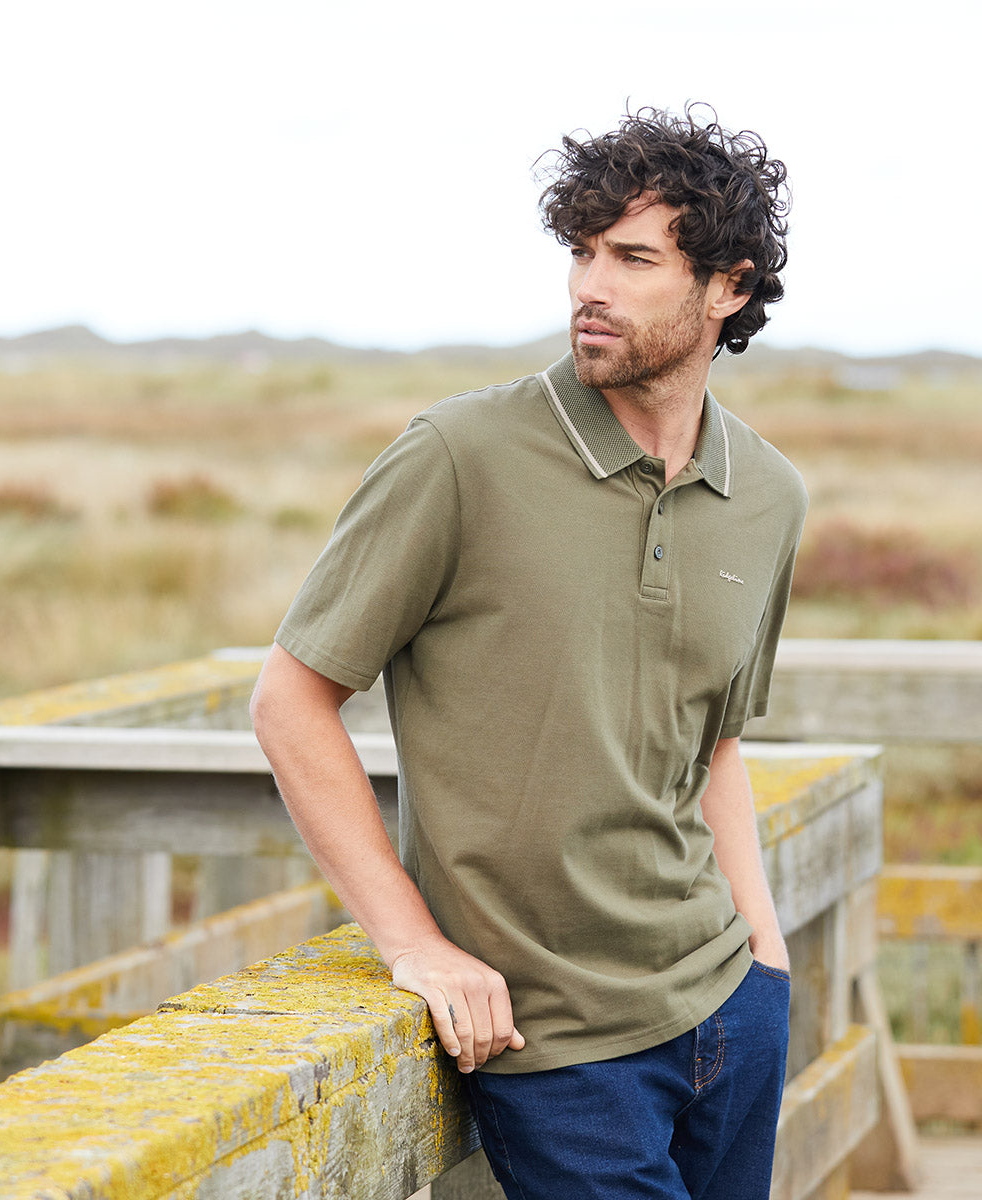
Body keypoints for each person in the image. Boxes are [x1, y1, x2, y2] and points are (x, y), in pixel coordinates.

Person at [251, 105, 805, 1200]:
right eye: (582, 252)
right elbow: (291, 700)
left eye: (634, 258)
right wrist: (412, 944)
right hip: (554, 1044)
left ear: (728, 287)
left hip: (729, 1012)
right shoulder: (461, 454)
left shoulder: (769, 495)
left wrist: (767, 964)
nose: (588, 285)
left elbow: (717, 744)